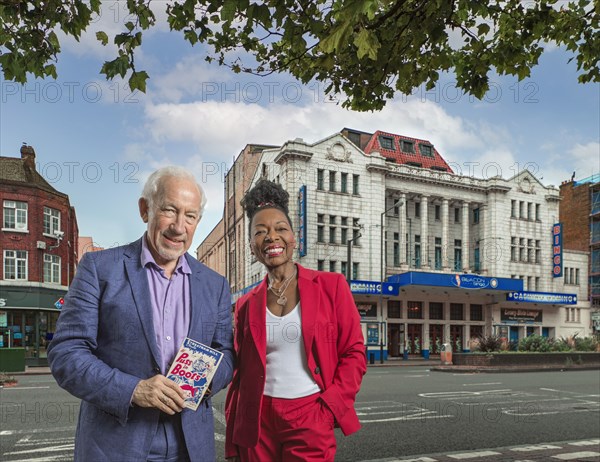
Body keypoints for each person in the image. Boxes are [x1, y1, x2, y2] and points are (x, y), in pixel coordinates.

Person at [48, 166, 234, 462]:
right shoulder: (99, 268)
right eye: (170, 210)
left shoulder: (215, 285)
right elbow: (66, 353)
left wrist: (208, 379)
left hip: (191, 449)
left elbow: (225, 350)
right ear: (145, 209)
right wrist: (133, 389)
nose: (179, 226)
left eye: (190, 216)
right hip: (114, 448)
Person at [225, 179, 367, 461]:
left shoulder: (332, 285)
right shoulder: (244, 304)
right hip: (257, 420)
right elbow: (240, 374)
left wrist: (327, 409)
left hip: (310, 412)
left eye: (280, 229)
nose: (271, 237)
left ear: (294, 238)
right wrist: (234, 436)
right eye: (260, 232)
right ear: (252, 246)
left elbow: (354, 353)